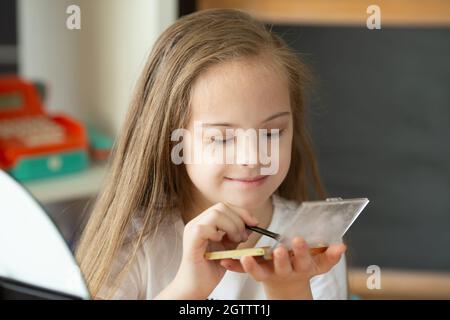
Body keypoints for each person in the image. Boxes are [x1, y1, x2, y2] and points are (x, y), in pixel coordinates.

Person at [76, 8, 348, 300]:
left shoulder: (312, 244)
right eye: (222, 138)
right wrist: (189, 289)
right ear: (173, 140)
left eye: (271, 133)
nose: (252, 158)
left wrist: (289, 290)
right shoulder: (133, 243)